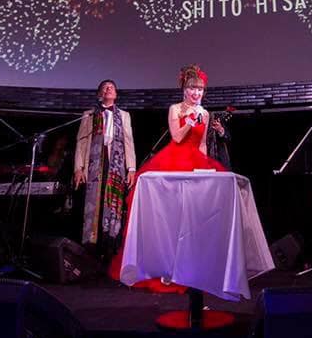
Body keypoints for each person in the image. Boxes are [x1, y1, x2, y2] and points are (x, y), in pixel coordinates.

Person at [108, 64, 227, 288]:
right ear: (184, 89)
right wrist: (189, 121)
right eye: (192, 88)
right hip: (174, 160)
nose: (196, 93)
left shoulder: (205, 113)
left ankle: (192, 264)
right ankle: (167, 266)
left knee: (195, 216)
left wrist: (203, 166)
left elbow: (202, 144)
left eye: (200, 89)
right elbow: (177, 137)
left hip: (195, 162)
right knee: (172, 215)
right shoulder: (175, 109)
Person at [73, 79, 136, 259]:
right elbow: (81, 141)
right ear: (99, 93)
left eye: (112, 87)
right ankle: (91, 245)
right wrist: (78, 168)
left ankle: (110, 245)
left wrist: (131, 168)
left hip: (116, 162)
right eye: (105, 87)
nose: (109, 89)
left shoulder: (124, 115)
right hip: (94, 162)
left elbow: (128, 142)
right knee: (95, 201)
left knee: (112, 201)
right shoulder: (89, 115)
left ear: (116, 94)